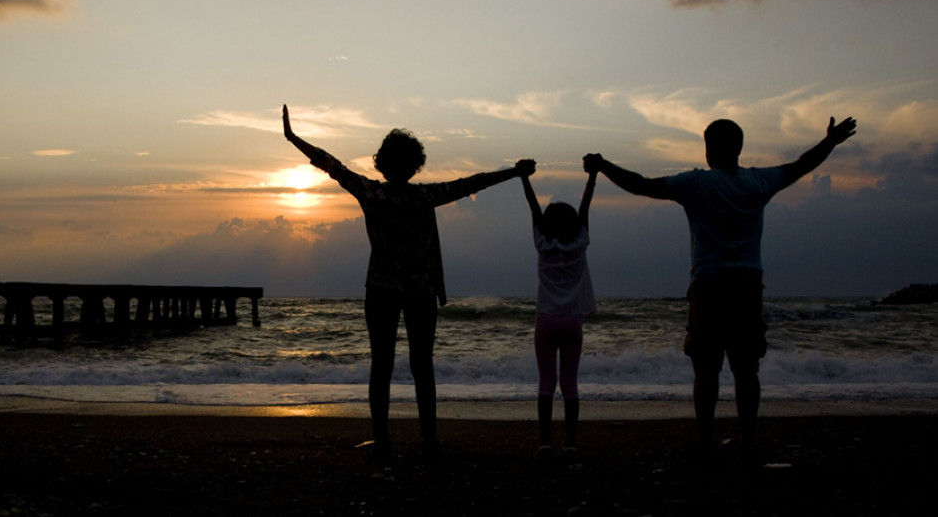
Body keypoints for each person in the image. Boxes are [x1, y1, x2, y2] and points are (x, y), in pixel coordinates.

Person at [583, 116, 857, 455]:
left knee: (706, 367)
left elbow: (641, 185)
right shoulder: (758, 181)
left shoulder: (696, 184)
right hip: (746, 284)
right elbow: (802, 165)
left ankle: (704, 441)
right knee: (746, 368)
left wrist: (603, 164)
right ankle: (748, 439)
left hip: (708, 284)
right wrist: (829, 141)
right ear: (739, 148)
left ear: (709, 148)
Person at [282, 105, 536, 459]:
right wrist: (514, 172)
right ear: (415, 165)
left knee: (381, 363)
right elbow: (472, 183)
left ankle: (383, 439)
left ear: (381, 163)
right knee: (422, 364)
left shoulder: (373, 193)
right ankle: (428, 440)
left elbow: (331, 164)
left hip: (382, 289)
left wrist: (293, 138)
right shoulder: (424, 196)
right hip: (419, 290)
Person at [520, 167, 597, 461]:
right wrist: (592, 177)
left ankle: (545, 443)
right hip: (573, 319)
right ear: (576, 224)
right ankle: (571, 443)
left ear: (547, 224)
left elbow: (533, 206)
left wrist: (523, 177)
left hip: (546, 318)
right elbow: (586, 206)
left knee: (546, 383)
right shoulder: (580, 242)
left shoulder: (542, 244)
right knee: (570, 383)